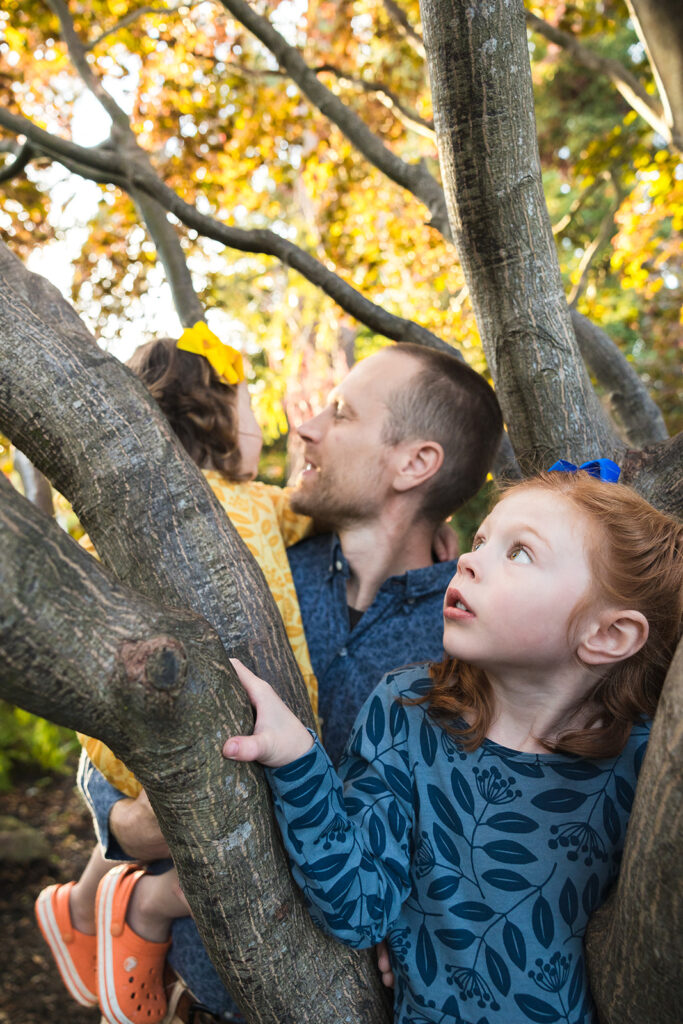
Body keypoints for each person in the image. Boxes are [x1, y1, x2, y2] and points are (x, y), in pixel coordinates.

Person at [75, 340, 504, 1017]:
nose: (303, 426)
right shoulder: (246, 568)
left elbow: (488, 822)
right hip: (202, 995)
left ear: (415, 463)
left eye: (340, 413)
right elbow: (118, 735)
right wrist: (123, 825)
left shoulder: (481, 633)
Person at [223, 466, 682, 1024]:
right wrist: (296, 758)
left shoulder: (646, 769)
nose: (468, 558)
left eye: (519, 553)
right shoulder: (410, 713)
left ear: (608, 635)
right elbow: (359, 906)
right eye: (483, 539)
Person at [35, 325, 320, 1024]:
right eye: (254, 412)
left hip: (145, 731)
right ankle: (139, 919)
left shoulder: (103, 529)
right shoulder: (259, 505)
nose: (264, 430)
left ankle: (94, 909)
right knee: (242, 842)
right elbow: (315, 508)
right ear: (223, 418)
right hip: (233, 730)